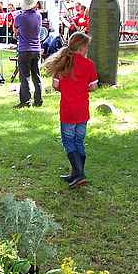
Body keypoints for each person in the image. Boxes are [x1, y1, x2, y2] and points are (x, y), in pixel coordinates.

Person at [44, 32, 98, 188]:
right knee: (79, 141)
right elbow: (93, 86)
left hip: (68, 110)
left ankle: (79, 174)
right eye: (87, 46)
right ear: (82, 47)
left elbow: (55, 85)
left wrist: (66, 89)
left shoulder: (63, 63)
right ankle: (76, 173)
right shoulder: (89, 65)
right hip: (82, 110)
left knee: (68, 141)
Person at [13, 0, 42, 108]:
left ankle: (25, 101)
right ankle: (38, 100)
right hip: (36, 48)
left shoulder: (20, 17)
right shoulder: (39, 16)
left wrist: (19, 32)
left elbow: (15, 31)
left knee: (24, 76)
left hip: (24, 49)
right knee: (36, 75)